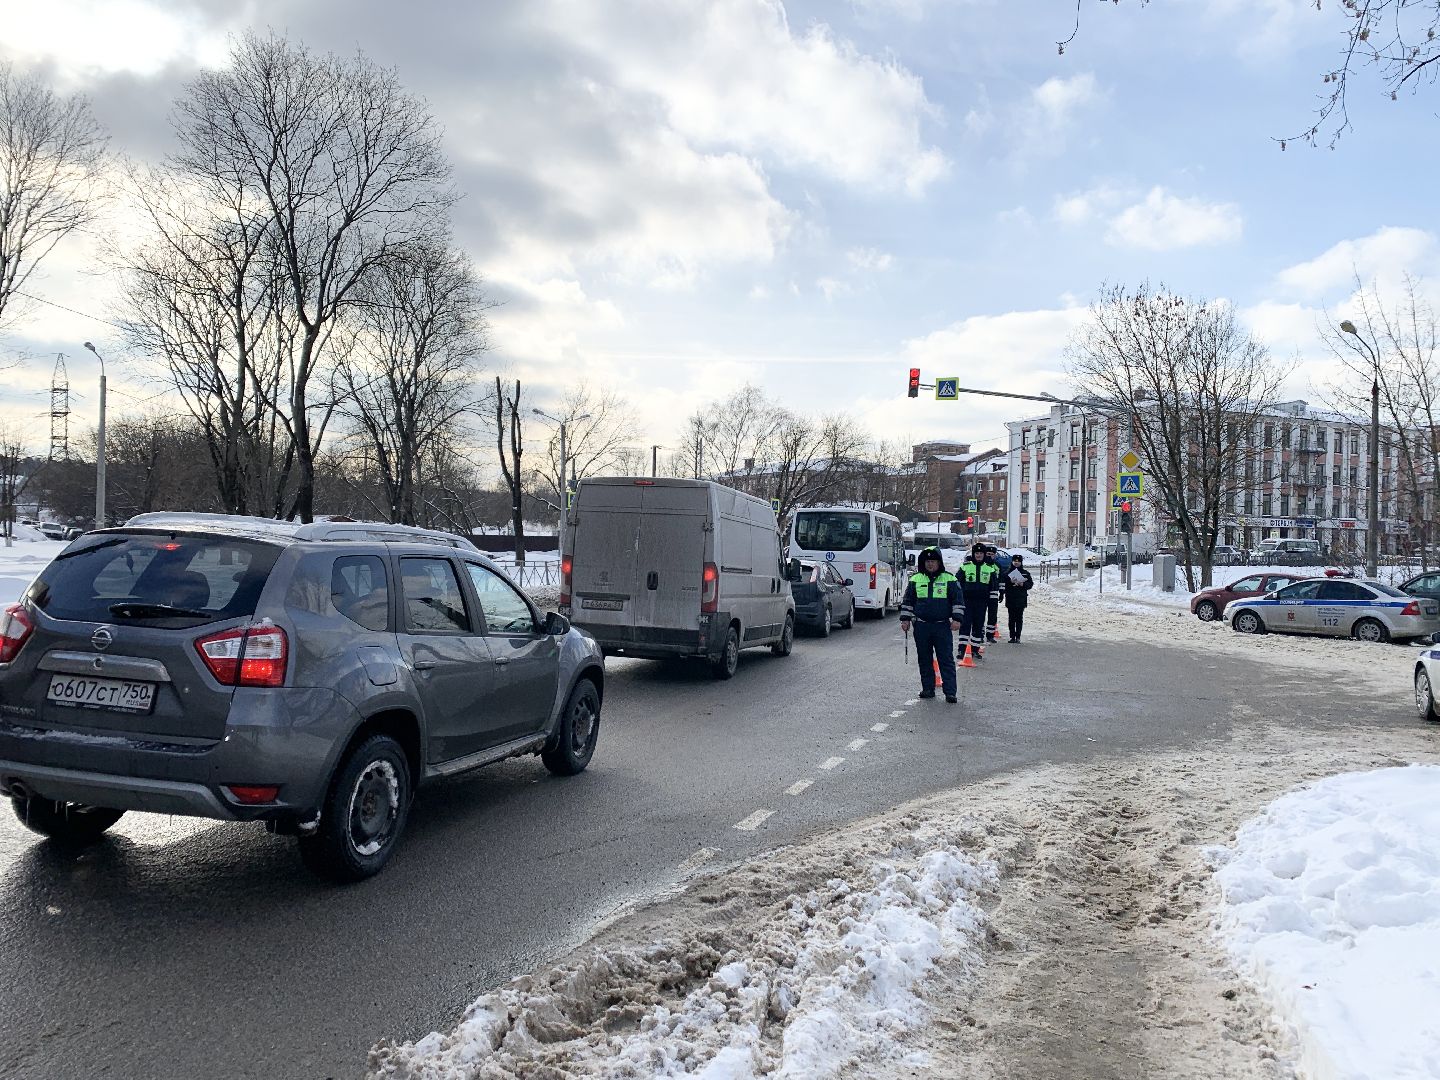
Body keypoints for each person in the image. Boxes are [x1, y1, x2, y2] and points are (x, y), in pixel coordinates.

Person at [898, 547, 963, 703]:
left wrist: (957, 619)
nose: (930, 564)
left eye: (933, 561)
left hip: (942, 626)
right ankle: (928, 689)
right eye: (927, 561)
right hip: (922, 626)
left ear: (939, 562)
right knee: (925, 659)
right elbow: (908, 602)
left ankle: (950, 692)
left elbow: (958, 601)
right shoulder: (916, 579)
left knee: (945, 659)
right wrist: (905, 619)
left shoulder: (950, 579)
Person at [958, 541, 999, 663]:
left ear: (984, 554)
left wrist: (993, 603)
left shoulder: (990, 569)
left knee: (978, 626)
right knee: (965, 625)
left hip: (981, 602)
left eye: (981, 553)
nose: (979, 555)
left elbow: (993, 587)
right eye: (977, 553)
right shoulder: (965, 567)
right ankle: (961, 650)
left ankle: (975, 649)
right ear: (973, 554)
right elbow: (957, 584)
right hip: (967, 601)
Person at [1004, 552, 1035, 643]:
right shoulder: (1007, 573)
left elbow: (1030, 585)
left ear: (1021, 562)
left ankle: (1018, 637)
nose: (1016, 563)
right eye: (1014, 561)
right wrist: (1010, 581)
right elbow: (1003, 584)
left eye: (1018, 561)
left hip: (1021, 598)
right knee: (1011, 618)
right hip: (1011, 598)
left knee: (1019, 618)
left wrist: (1023, 584)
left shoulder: (1025, 573)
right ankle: (1012, 637)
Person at [983, 546, 1003, 643]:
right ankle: (980, 634)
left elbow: (1001, 579)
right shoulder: (982, 564)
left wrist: (1002, 592)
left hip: (994, 593)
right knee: (980, 614)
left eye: (992, 554)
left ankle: (990, 635)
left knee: (992, 615)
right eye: (988, 554)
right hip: (982, 593)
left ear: (995, 555)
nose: (990, 556)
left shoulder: (998, 565)